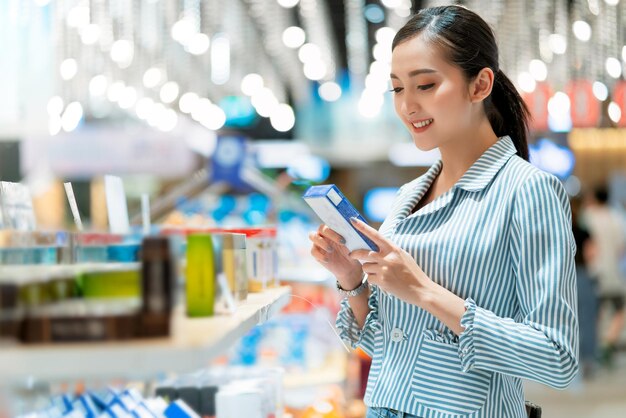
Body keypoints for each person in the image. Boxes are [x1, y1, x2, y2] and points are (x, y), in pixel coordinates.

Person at [308, 6, 578, 418]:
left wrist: (424, 291)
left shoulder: (528, 191)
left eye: (426, 85)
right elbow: (382, 346)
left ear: (480, 84)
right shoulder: (407, 196)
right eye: (398, 89)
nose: (407, 106)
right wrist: (352, 279)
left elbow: (557, 357)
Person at [582, 187, 626, 368]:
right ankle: (608, 343)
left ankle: (596, 347)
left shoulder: (587, 216)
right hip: (612, 272)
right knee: (619, 309)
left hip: (591, 272)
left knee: (593, 313)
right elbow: (621, 246)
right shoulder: (617, 217)